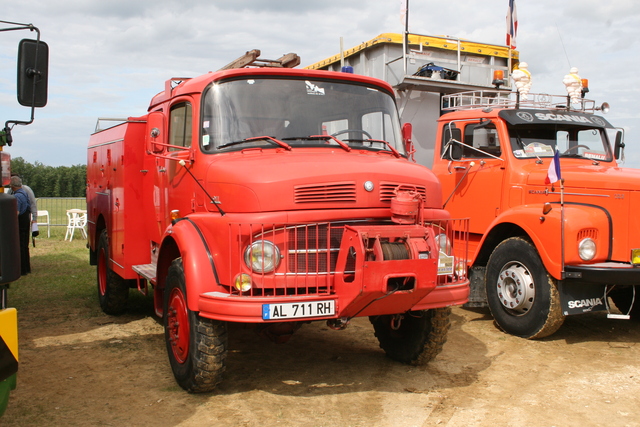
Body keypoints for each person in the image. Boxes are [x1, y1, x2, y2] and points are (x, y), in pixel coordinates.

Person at [10, 176, 31, 275]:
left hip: (20, 223)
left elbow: (16, 212)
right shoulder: (24, 193)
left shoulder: (17, 196)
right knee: (25, 246)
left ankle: (21, 270)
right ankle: (26, 268)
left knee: (20, 246)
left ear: (12, 185)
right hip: (26, 222)